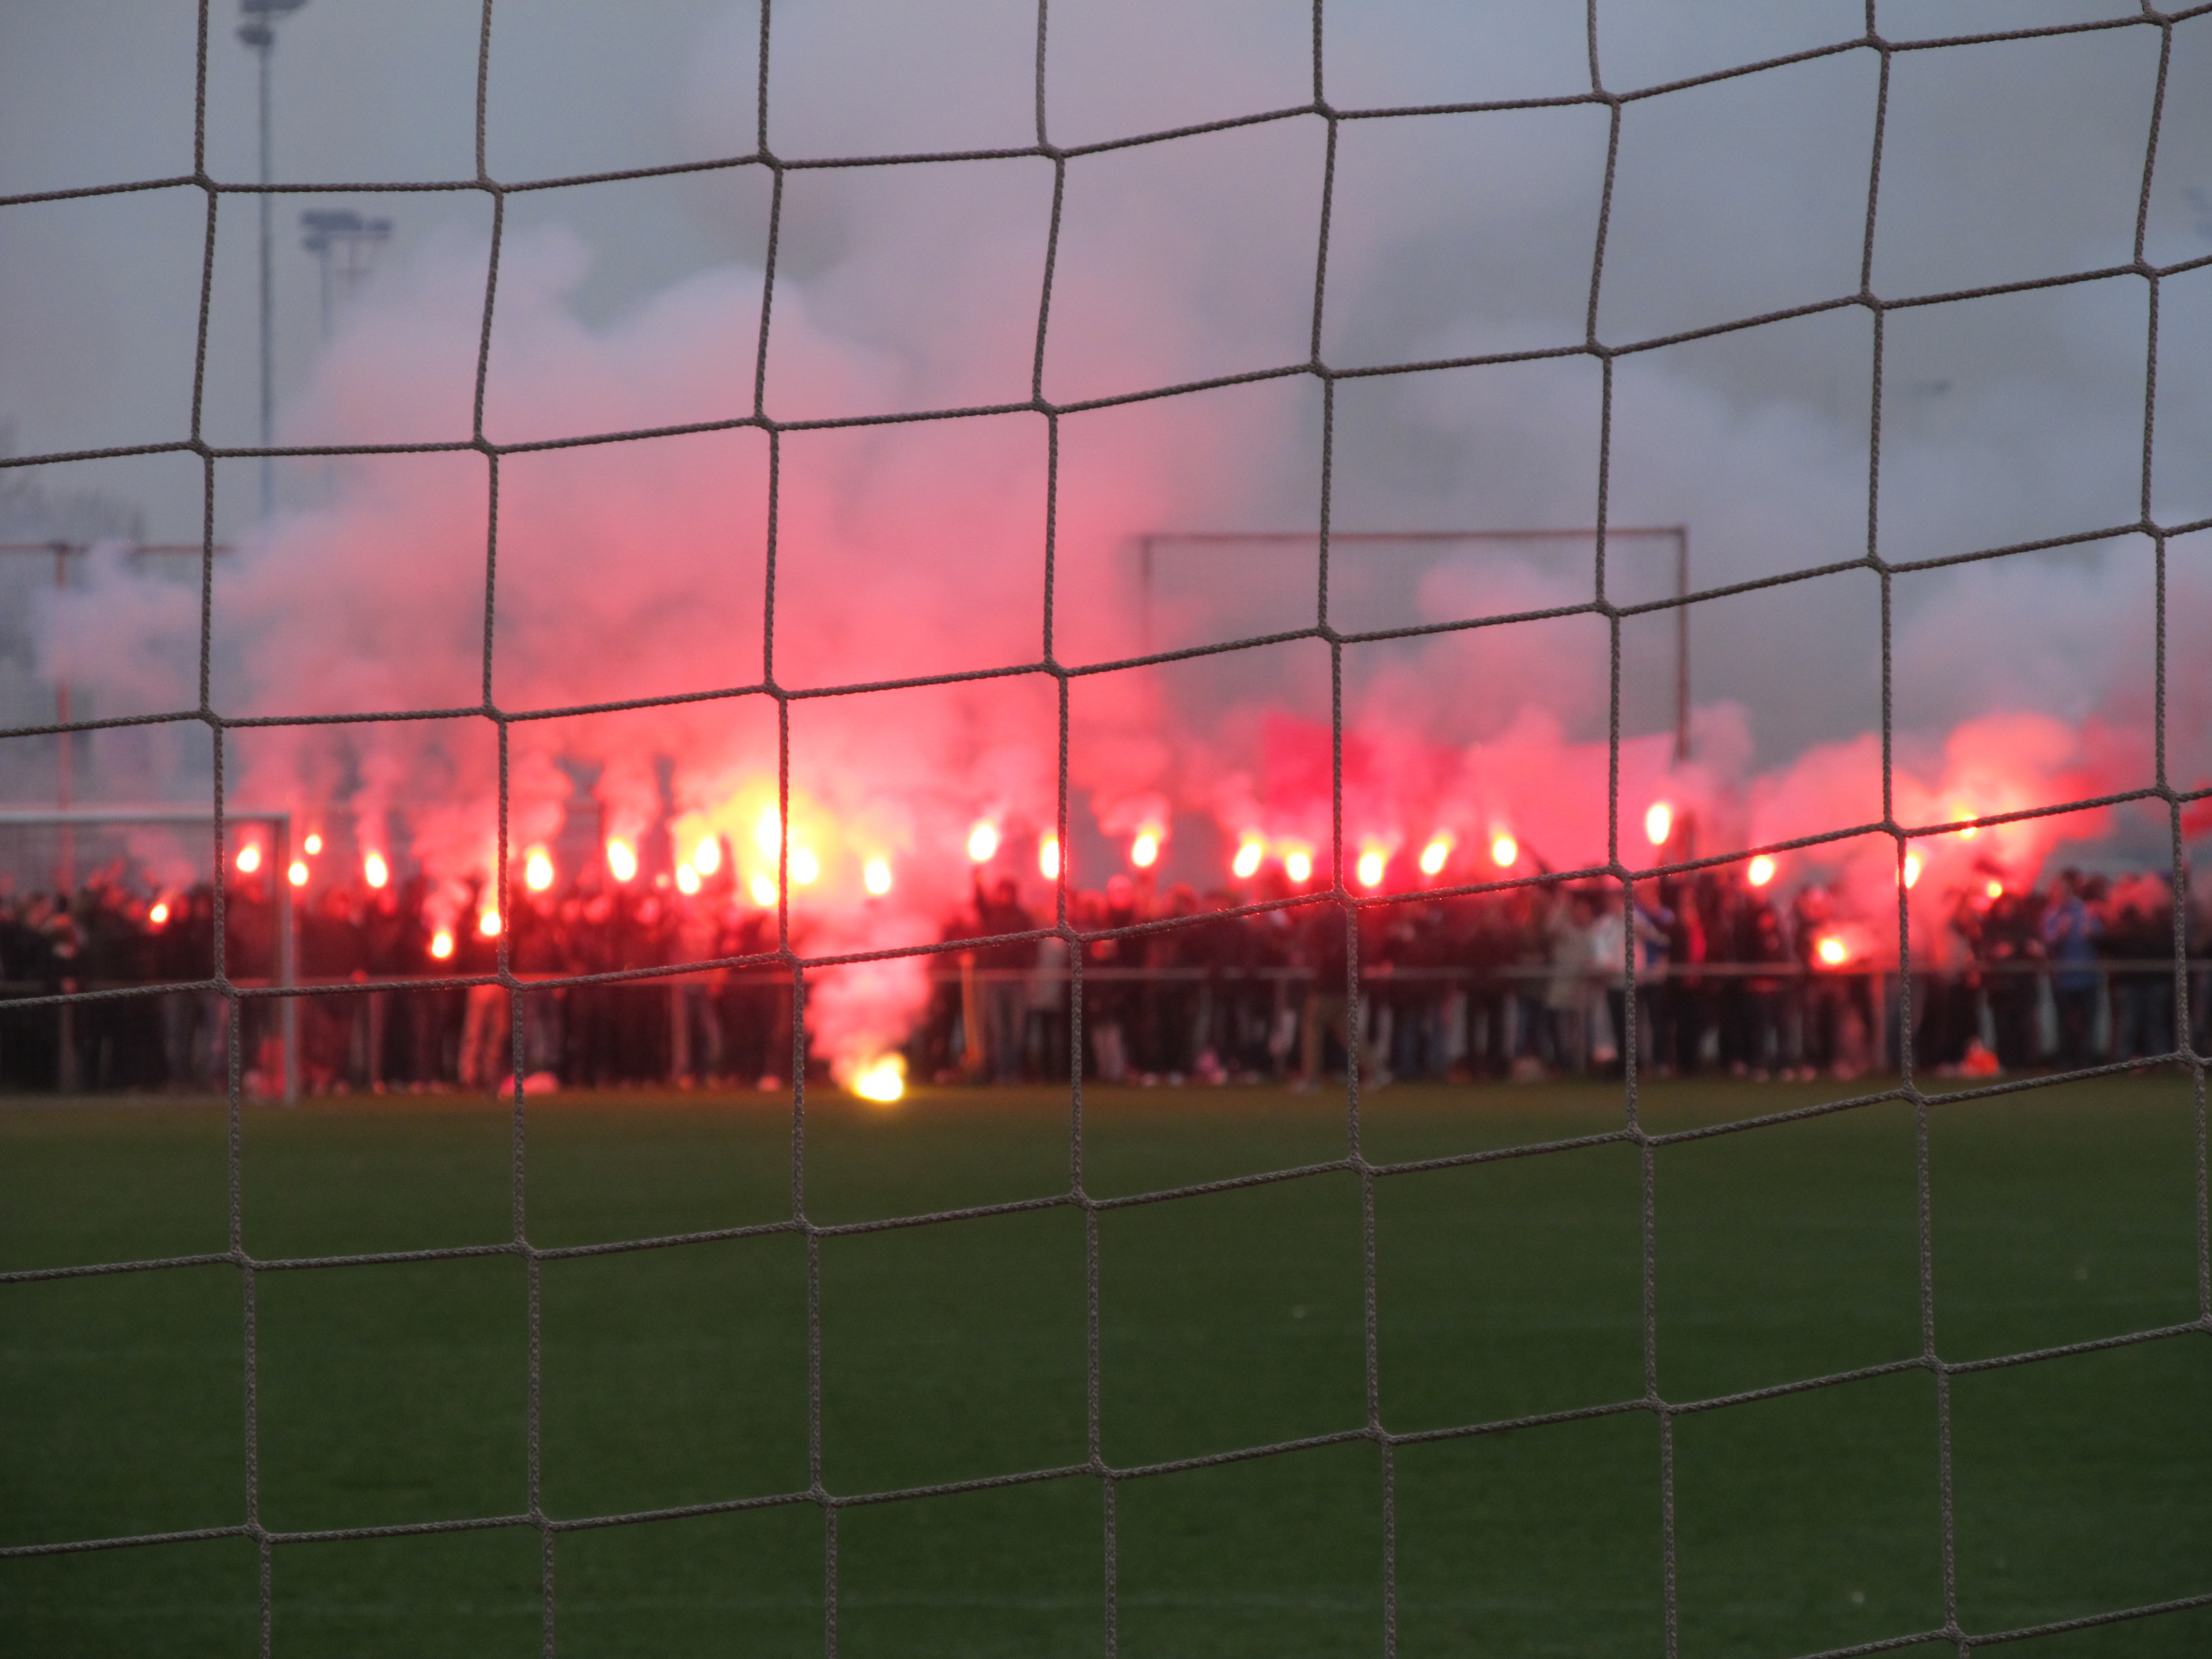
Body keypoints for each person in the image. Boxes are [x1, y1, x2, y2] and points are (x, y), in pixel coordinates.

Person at [2041, 869, 2102, 1070]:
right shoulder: (2051, 915)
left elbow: (2101, 935)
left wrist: (2093, 933)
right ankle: (2065, 1063)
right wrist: (2060, 933)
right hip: (2063, 979)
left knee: (2087, 1023)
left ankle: (2087, 1063)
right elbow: (2048, 943)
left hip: (2087, 978)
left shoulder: (2086, 911)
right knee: (2065, 1024)